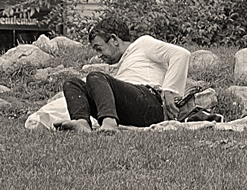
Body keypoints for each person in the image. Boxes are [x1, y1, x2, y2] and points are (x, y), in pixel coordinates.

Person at [60, 17, 191, 132]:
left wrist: (169, 92)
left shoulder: (143, 44)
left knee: (95, 77)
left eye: (99, 48)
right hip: (128, 110)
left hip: (150, 103)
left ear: (114, 40)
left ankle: (109, 123)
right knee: (72, 83)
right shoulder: (122, 66)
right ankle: (82, 123)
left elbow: (181, 54)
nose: (99, 55)